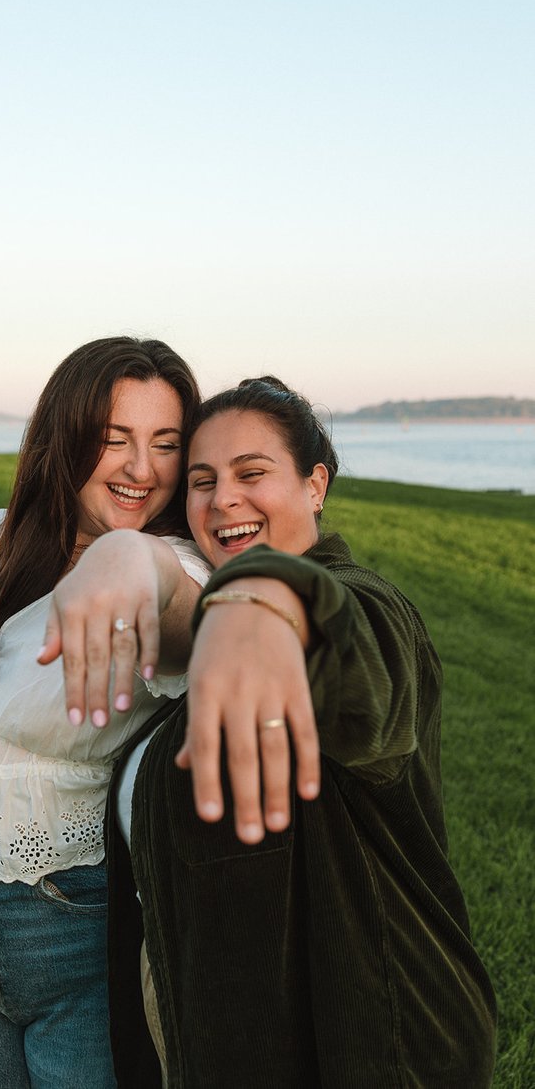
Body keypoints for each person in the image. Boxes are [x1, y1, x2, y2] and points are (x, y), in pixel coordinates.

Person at [106, 377, 497, 1088]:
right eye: (202, 480)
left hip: (376, 1051)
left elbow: (359, 653)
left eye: (252, 473)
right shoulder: (205, 641)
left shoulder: (369, 608)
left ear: (316, 484)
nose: (223, 497)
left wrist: (268, 594)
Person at [0, 336, 212, 1089]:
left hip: (73, 931)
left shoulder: (175, 568)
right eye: (115, 440)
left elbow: (194, 614)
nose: (142, 468)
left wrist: (137, 559)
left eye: (166, 444)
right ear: (63, 438)